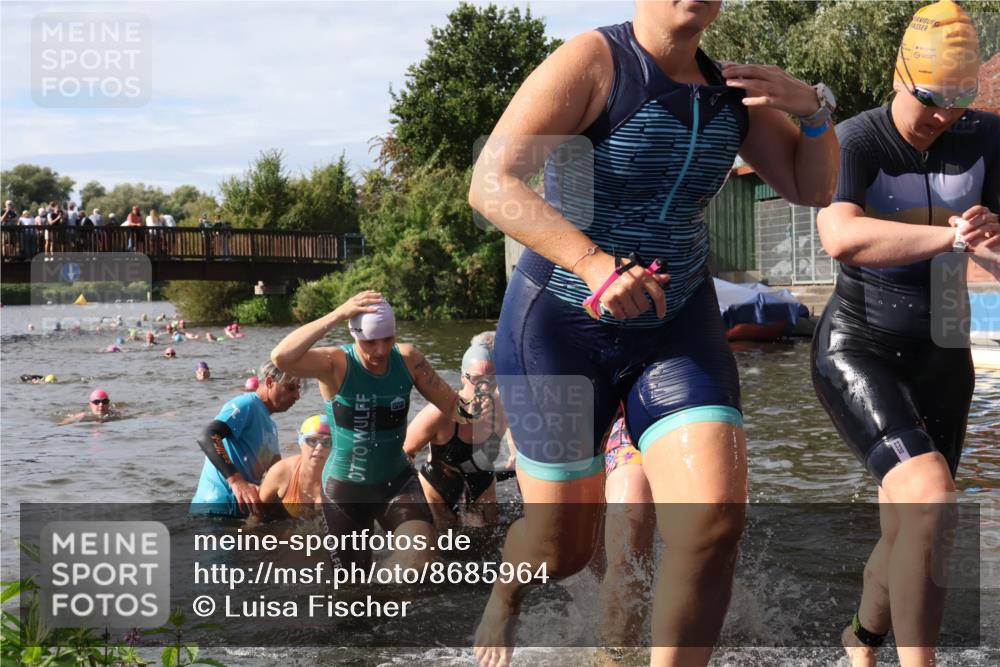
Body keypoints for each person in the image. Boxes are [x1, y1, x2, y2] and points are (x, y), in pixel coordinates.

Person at [467, 2, 839, 664]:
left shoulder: (733, 92)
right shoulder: (594, 61)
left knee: (713, 520)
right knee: (562, 550)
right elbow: (491, 183)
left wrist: (814, 111)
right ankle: (508, 592)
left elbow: (811, 187)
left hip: (676, 326)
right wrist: (594, 264)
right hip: (560, 327)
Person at [810, 3, 999, 666]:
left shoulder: (989, 139)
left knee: (915, 525)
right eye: (931, 99)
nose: (944, 116)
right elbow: (840, 236)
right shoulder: (857, 139)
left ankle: (861, 641)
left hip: (944, 353)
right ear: (900, 78)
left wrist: (992, 240)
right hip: (860, 346)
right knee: (930, 502)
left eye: (959, 101)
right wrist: (951, 237)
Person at [270, 292, 484, 569]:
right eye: (370, 341)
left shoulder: (408, 360)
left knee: (420, 558)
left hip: (396, 481)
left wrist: (484, 402)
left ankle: (394, 588)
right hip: (345, 490)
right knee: (353, 583)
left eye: (388, 339)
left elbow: (456, 408)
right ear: (355, 336)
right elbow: (281, 357)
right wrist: (338, 314)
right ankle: (379, 591)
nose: (381, 350)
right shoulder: (335, 363)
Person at [403, 332, 512, 527]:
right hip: (438, 485)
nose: (484, 388)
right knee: (444, 539)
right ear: (463, 377)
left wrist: (515, 452)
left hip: (482, 482)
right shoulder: (438, 413)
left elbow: (516, 430)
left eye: (492, 380)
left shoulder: (505, 407)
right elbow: (405, 452)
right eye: (477, 379)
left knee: (491, 534)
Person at [190, 360, 302, 518]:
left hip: (240, 513)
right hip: (214, 510)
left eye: (298, 388)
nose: (297, 396)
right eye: (290, 388)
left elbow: (277, 473)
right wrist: (236, 481)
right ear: (270, 382)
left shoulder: (271, 427)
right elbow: (208, 435)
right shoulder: (247, 404)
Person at [254, 414, 332, 522]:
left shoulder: (343, 478)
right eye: (312, 441)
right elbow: (255, 517)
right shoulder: (281, 472)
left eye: (327, 442)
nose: (319, 447)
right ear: (301, 442)